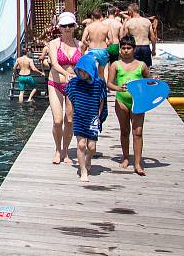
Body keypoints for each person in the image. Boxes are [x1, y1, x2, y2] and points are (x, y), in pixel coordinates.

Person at [107, 35, 151, 175]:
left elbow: (148, 82)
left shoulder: (141, 65)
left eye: (129, 48)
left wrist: (155, 81)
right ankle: (126, 157)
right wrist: (118, 88)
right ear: (120, 49)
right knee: (125, 131)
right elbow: (109, 83)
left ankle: (138, 164)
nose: (126, 50)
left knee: (138, 132)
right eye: (123, 48)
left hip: (138, 102)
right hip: (122, 101)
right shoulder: (116, 65)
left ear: (134, 49)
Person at [66, 53, 108, 182]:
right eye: (79, 71)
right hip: (79, 117)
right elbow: (69, 97)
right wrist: (69, 115)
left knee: (91, 147)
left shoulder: (99, 84)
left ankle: (88, 159)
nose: (82, 74)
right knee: (81, 145)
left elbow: (102, 101)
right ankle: (83, 170)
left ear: (91, 70)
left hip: (92, 118)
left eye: (85, 71)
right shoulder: (74, 83)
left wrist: (99, 117)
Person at [46, 11, 81, 165]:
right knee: (58, 120)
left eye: (70, 25)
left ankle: (66, 151)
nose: (67, 28)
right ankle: (57, 149)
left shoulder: (80, 44)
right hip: (55, 82)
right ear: (59, 27)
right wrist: (65, 74)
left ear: (74, 26)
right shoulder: (54, 43)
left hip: (74, 84)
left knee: (70, 119)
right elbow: (54, 63)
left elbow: (84, 65)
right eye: (64, 26)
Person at [82, 9, 116, 80]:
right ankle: (102, 89)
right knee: (101, 72)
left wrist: (88, 44)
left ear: (92, 16)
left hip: (92, 50)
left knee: (91, 72)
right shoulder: (106, 27)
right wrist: (106, 44)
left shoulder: (89, 27)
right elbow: (111, 41)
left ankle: (92, 88)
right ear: (101, 16)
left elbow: (83, 40)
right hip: (103, 50)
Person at [120, 3, 156, 69]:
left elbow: (124, 38)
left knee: (134, 68)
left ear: (131, 11)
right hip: (145, 47)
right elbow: (153, 37)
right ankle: (147, 79)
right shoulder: (147, 21)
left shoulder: (129, 22)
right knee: (146, 69)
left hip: (135, 48)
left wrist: (122, 50)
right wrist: (153, 49)